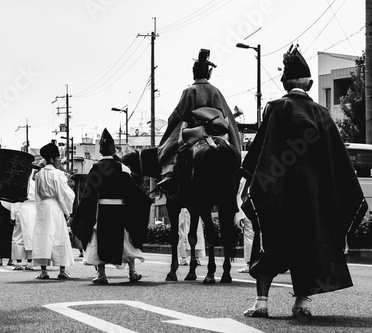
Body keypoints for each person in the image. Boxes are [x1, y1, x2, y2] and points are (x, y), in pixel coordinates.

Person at [240, 45, 368, 320]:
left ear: (285, 82)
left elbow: (263, 150)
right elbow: (336, 161)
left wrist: (251, 185)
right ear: (309, 84)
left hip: (280, 190)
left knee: (272, 241)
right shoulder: (322, 114)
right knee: (310, 244)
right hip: (313, 196)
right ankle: (302, 303)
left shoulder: (275, 108)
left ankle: (262, 303)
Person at [71, 129, 152, 284]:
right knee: (126, 239)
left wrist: (83, 212)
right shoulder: (122, 168)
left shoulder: (96, 168)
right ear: (113, 149)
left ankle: (102, 275)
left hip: (102, 211)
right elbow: (132, 191)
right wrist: (145, 200)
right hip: (120, 211)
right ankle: (132, 272)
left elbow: (89, 194)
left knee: (98, 238)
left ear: (100, 150)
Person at [156, 48, 241, 191]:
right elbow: (228, 117)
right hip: (218, 133)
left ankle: (169, 174)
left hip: (196, 133)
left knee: (177, 151)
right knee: (231, 154)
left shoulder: (188, 91)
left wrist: (172, 130)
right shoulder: (216, 91)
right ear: (208, 74)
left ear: (194, 73)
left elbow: (177, 116)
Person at [32, 142, 75, 279]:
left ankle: (43, 271)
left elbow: (38, 194)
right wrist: (67, 211)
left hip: (43, 207)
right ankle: (62, 270)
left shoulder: (39, 174)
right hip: (55, 206)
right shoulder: (58, 174)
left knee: (43, 236)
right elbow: (63, 194)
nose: (59, 160)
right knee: (59, 236)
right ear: (51, 159)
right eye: (58, 158)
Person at [12, 171, 38, 271]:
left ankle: (19, 262)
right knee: (31, 235)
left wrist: (13, 215)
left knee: (18, 236)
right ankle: (29, 262)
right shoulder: (34, 184)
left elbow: (13, 200)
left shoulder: (17, 185)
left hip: (20, 207)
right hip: (32, 209)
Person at [234, 177, 253, 273]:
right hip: (252, 207)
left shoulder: (245, 178)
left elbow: (241, 195)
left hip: (247, 207)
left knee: (249, 235)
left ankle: (250, 263)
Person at [0, 200, 16, 266]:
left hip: (1, 224)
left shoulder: (1, 202)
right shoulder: (13, 201)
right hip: (11, 224)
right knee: (10, 242)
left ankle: (0, 259)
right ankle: (10, 259)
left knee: (1, 242)